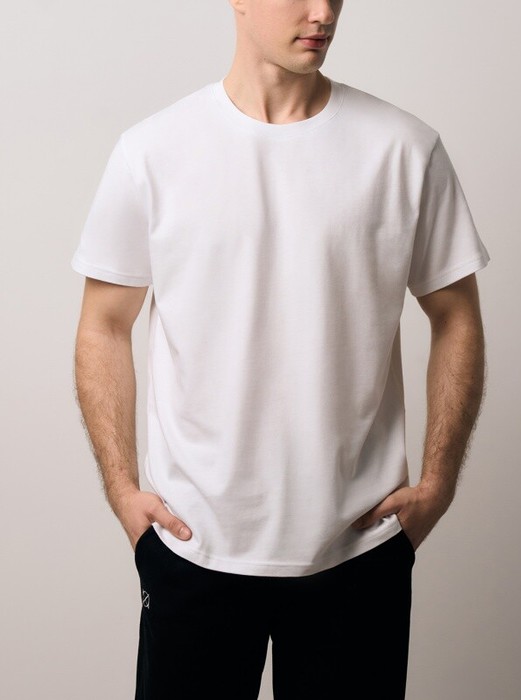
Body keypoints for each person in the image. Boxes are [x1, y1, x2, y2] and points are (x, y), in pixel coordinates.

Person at [72, 1, 489, 698]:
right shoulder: (153, 151)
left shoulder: (404, 149)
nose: (322, 12)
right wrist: (122, 490)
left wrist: (438, 484)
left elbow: (457, 317)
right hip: (193, 547)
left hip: (358, 551)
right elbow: (102, 327)